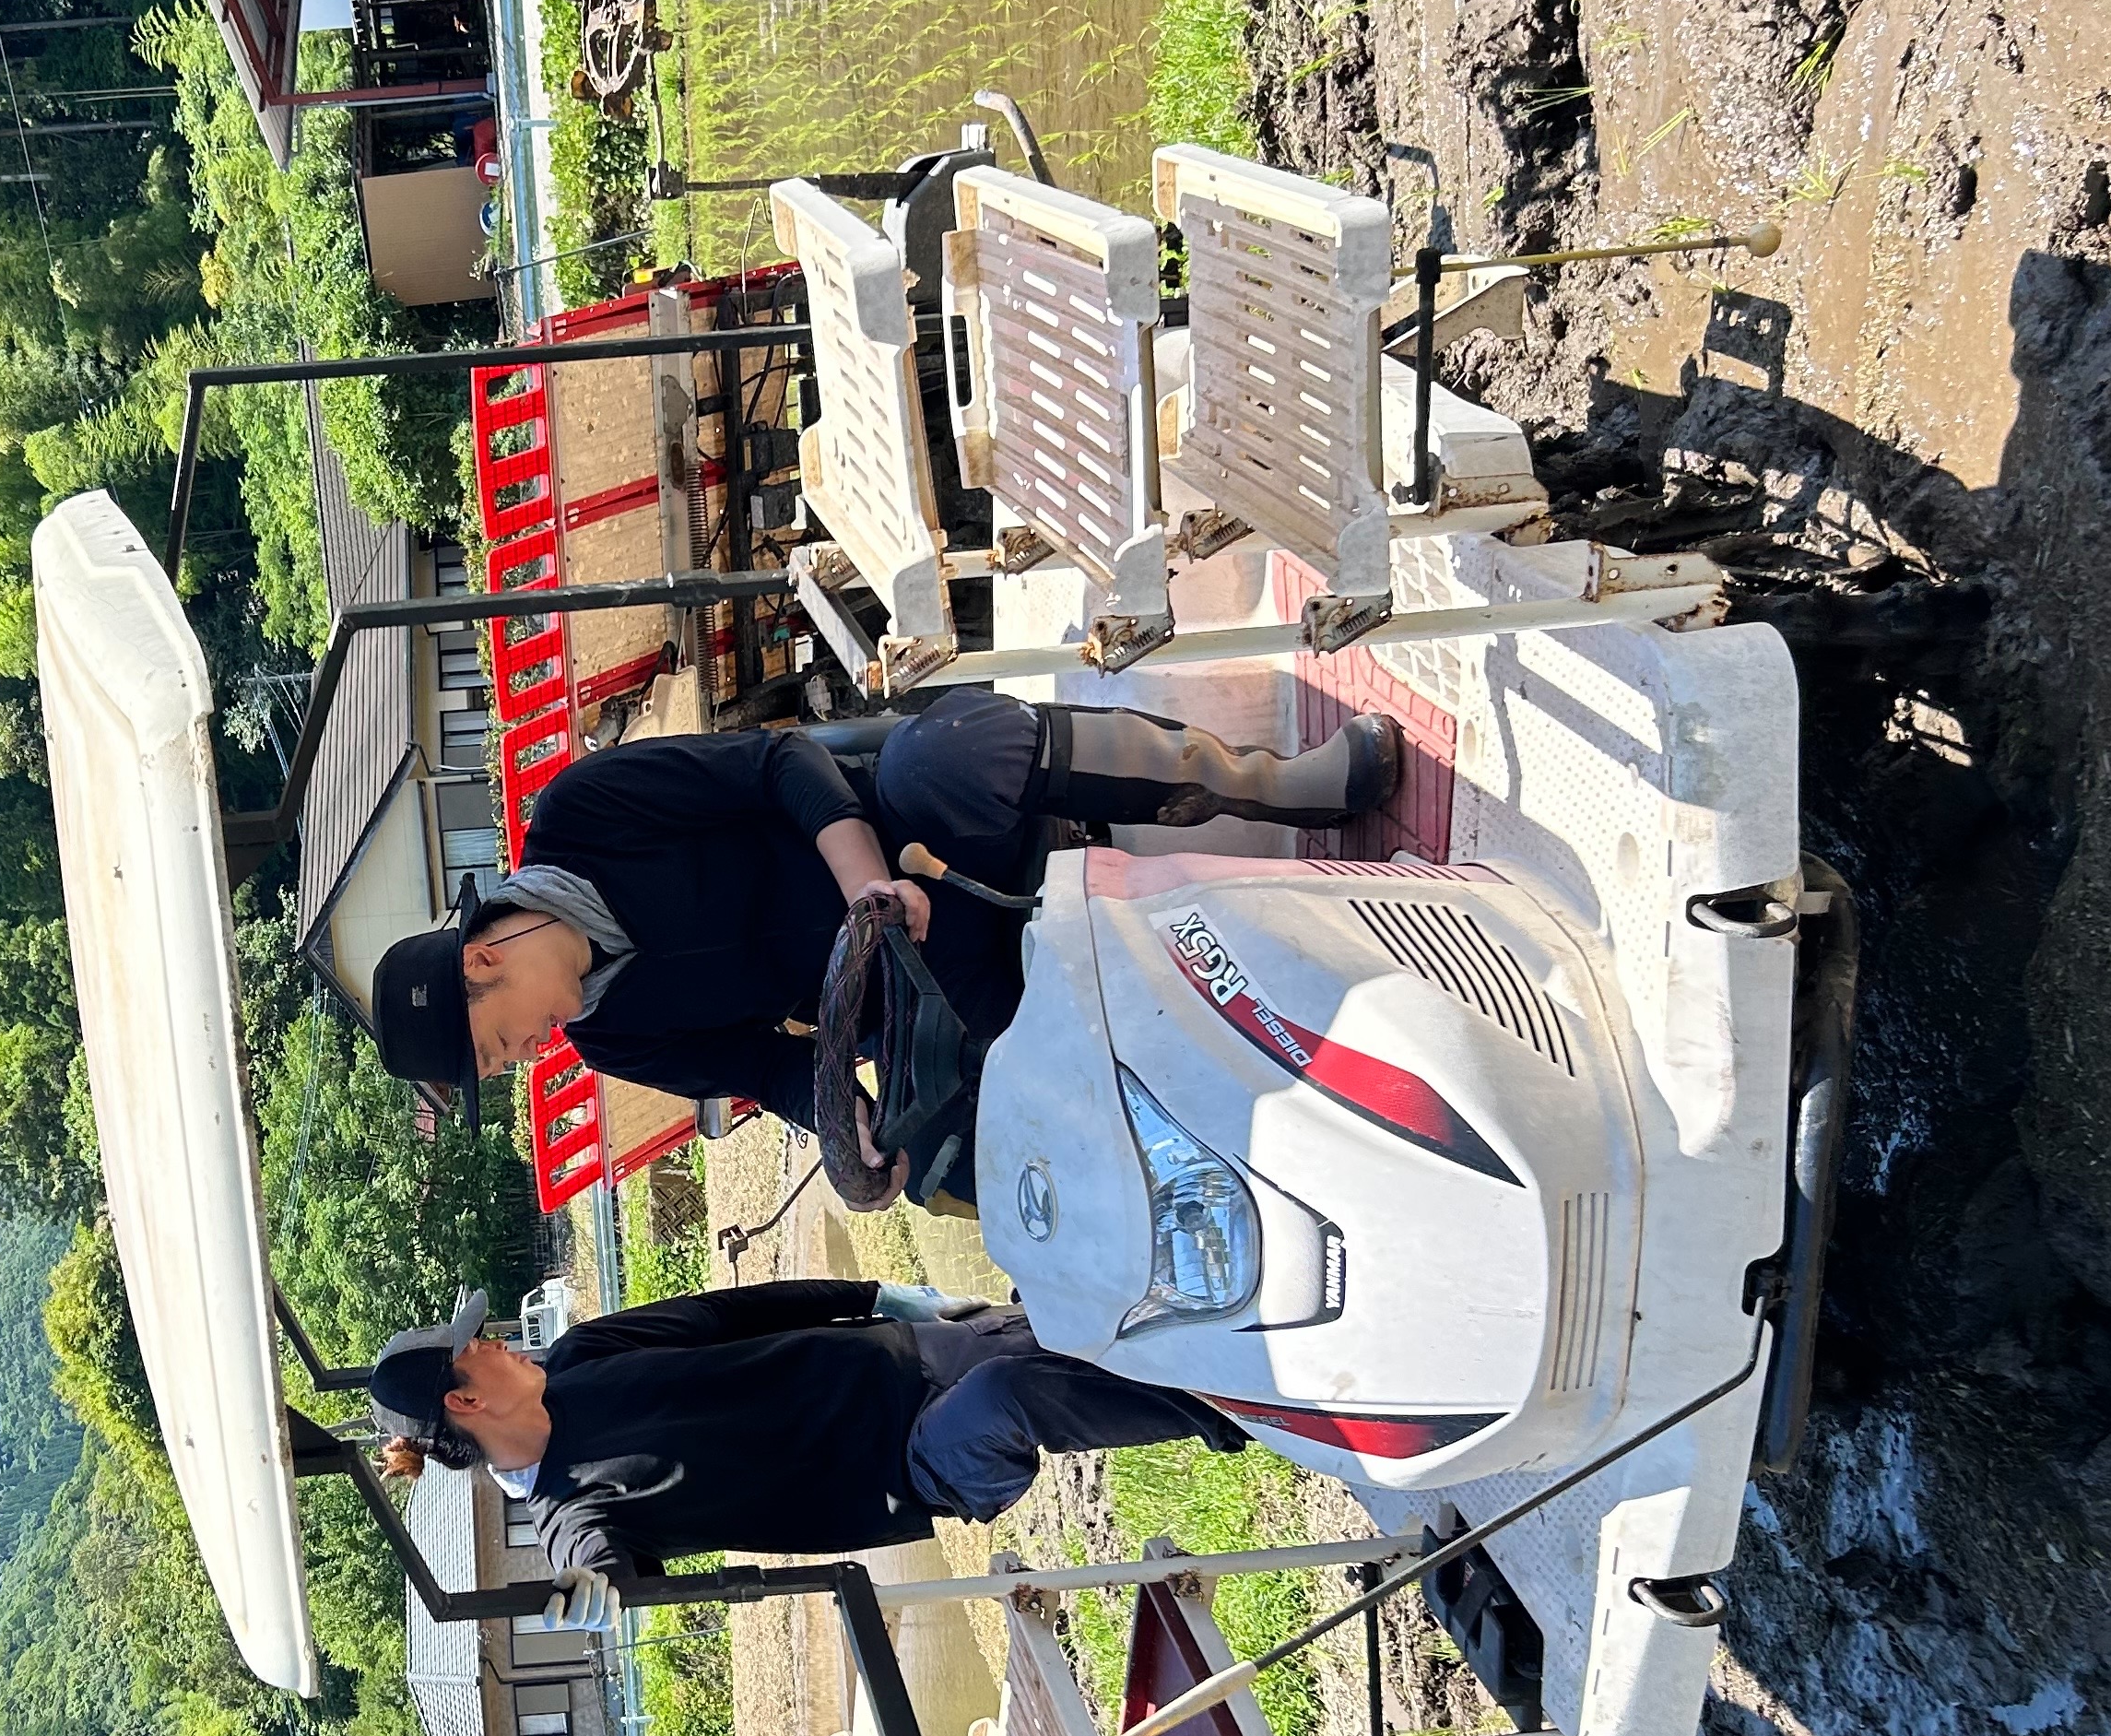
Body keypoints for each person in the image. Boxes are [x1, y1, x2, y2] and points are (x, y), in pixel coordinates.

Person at [367, 693, 1396, 1189]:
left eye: (500, 1042)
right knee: (956, 1155)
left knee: (950, 752)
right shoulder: (611, 1038)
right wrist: (843, 1121)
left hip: (901, 842)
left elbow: (775, 763)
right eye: (507, 1064)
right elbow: (764, 1065)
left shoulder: (584, 814)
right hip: (905, 991)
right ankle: (1289, 1118)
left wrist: (867, 883)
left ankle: (1282, 786)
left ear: (482, 959)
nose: (530, 1055)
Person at [365, 1281, 1246, 1622]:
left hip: (912, 1354)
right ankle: (1237, 1408)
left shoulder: (583, 1354)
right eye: (478, 1345)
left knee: (1083, 1321)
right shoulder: (570, 1515)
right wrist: (597, 1595)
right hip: (915, 1463)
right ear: (465, 1401)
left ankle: (1239, 1337)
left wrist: (884, 1298)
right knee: (1008, 1397)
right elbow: (605, 1570)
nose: (498, 1339)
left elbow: (730, 1311)